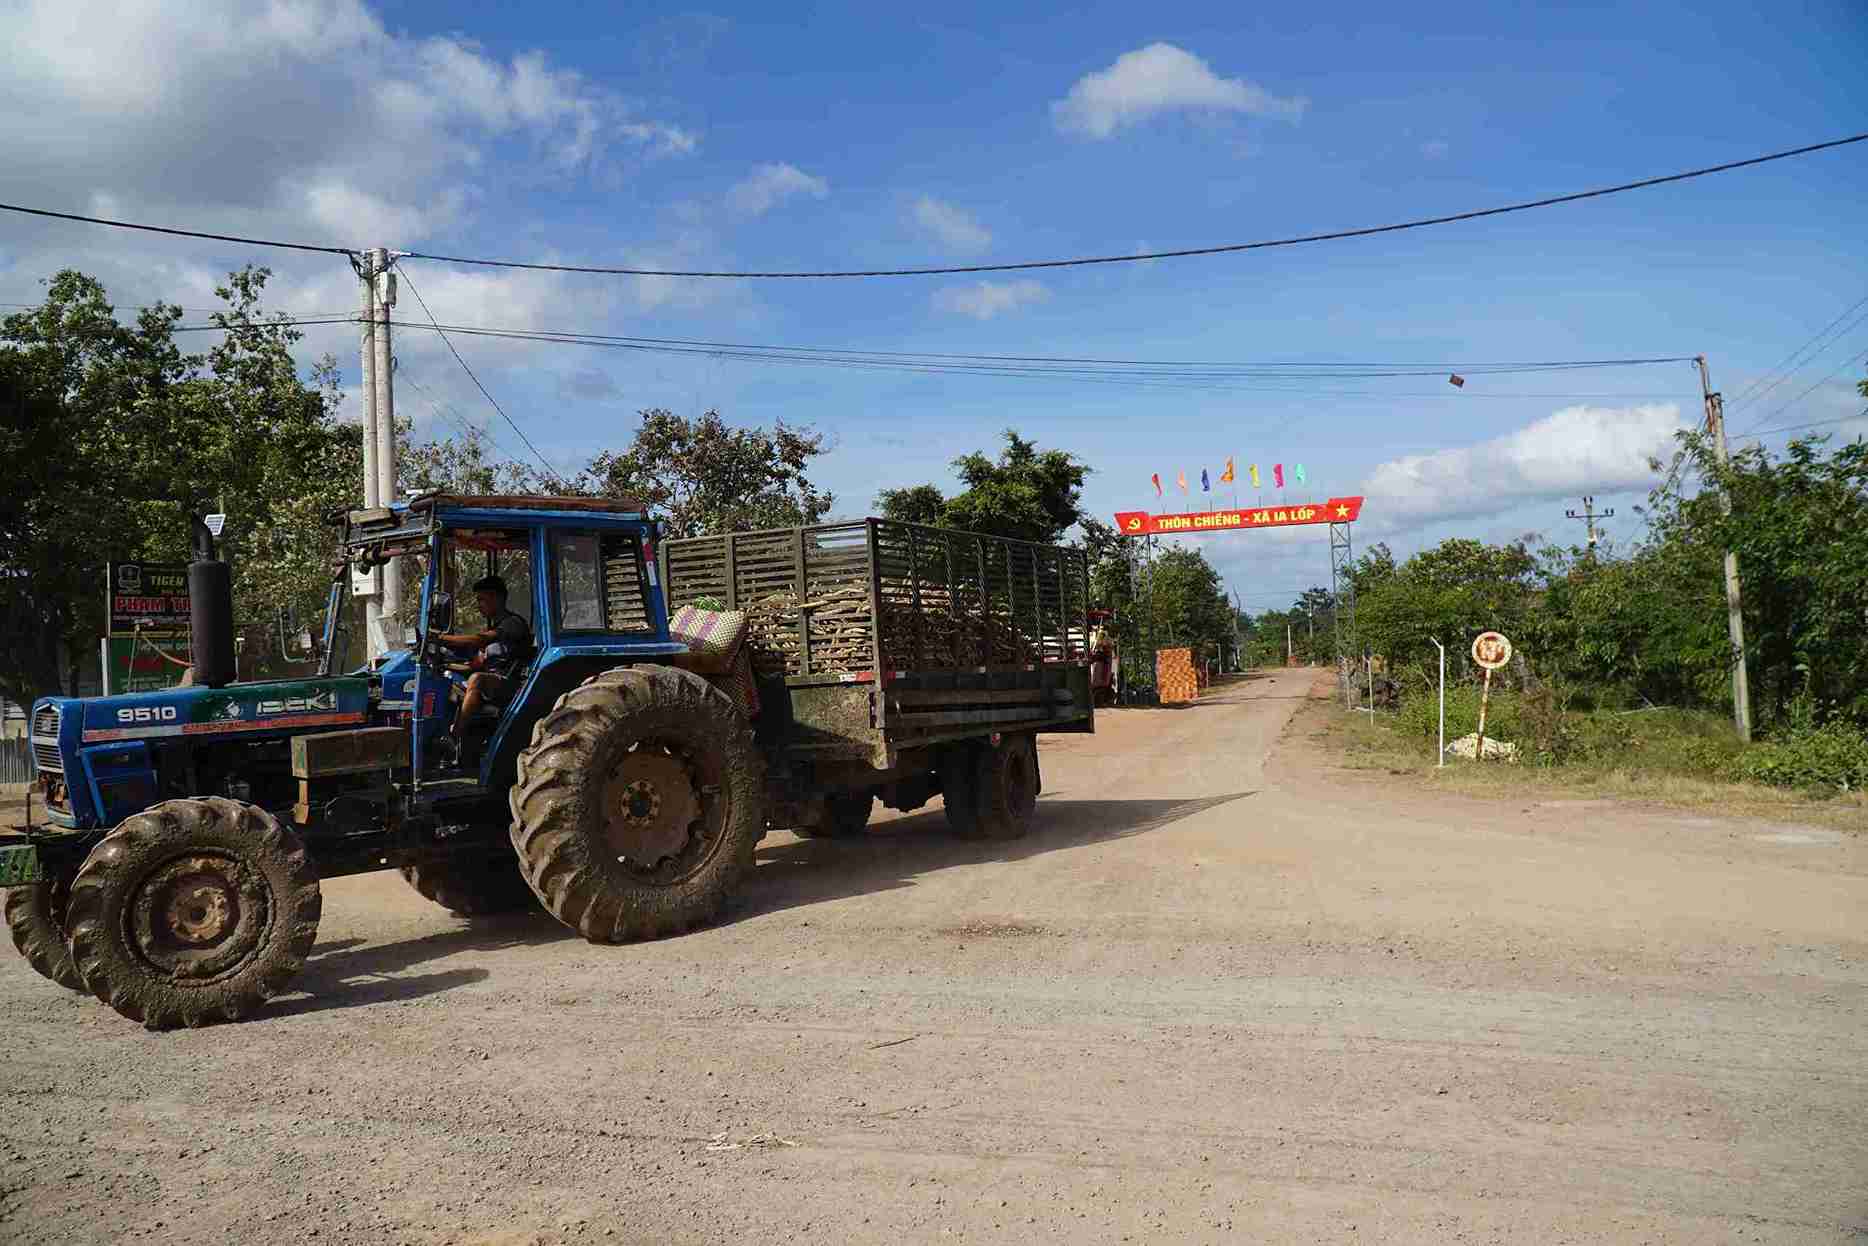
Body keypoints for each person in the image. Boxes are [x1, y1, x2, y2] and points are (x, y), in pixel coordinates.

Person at [435, 574, 533, 761]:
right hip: (493, 683)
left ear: (496, 598)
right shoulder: (494, 630)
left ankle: (453, 737)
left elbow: (479, 640)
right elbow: (473, 666)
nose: (478, 605)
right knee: (447, 685)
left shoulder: (512, 623)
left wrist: (439, 638)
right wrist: (444, 665)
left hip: (513, 685)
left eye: (482, 599)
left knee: (477, 680)